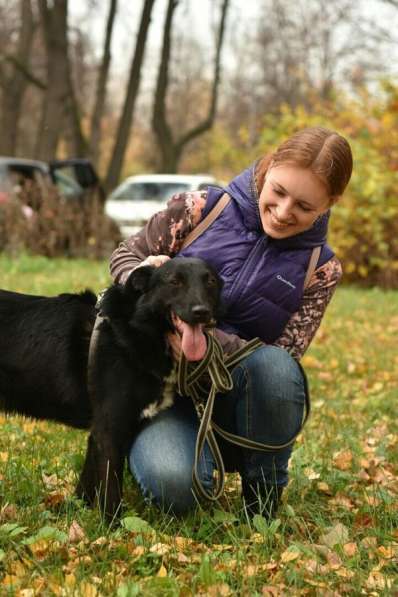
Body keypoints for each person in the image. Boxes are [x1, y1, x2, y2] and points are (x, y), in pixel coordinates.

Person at [109, 126, 353, 518]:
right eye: (279, 192)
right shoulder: (201, 209)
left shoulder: (319, 269)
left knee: (276, 368)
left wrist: (203, 341)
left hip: (234, 402)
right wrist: (142, 276)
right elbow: (123, 257)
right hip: (159, 391)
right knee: (177, 486)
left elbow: (282, 359)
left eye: (305, 207)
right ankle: (150, 445)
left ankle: (262, 502)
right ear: (269, 165)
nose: (284, 211)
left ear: (331, 202)